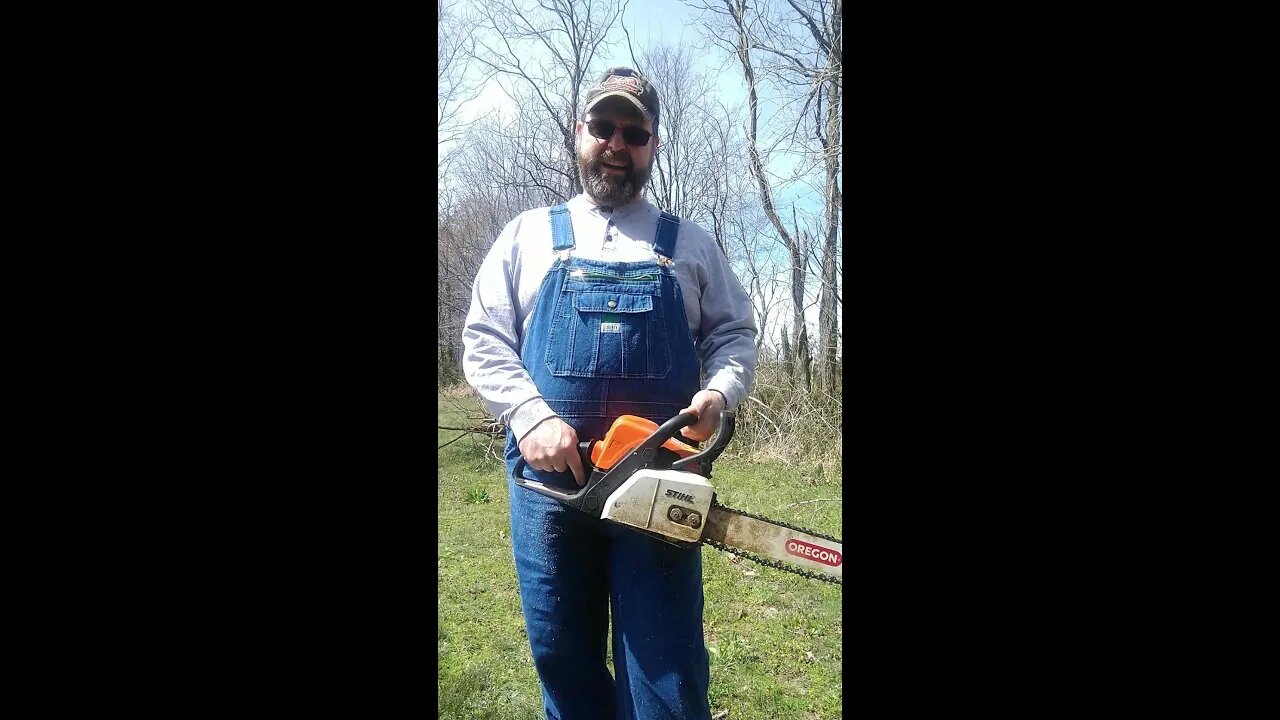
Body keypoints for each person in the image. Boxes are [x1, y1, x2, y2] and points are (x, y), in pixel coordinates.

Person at [462, 66, 758, 720]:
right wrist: (530, 414)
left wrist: (720, 391)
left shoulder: (689, 244)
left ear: (653, 144)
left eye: (634, 131)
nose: (616, 144)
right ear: (580, 133)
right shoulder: (527, 237)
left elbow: (735, 333)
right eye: (603, 127)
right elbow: (483, 338)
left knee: (667, 676)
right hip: (550, 489)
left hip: (660, 485)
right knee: (564, 663)